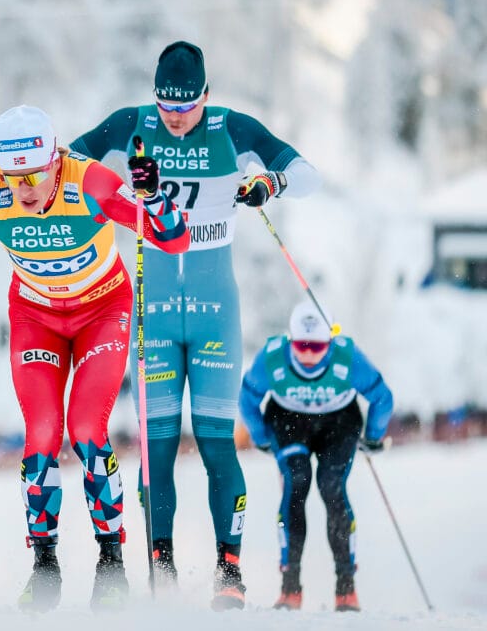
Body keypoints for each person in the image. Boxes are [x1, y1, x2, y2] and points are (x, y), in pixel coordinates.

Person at [0, 105, 189, 611]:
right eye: (13, 175)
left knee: (87, 430)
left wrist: (153, 195)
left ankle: (111, 563)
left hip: (101, 313)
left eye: (36, 174)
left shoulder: (90, 183)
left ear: (56, 160)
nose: (25, 188)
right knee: (41, 437)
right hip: (35, 316)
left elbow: (173, 239)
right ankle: (44, 567)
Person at [70, 40, 322, 609]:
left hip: (215, 313)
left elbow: (309, 176)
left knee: (215, 446)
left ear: (206, 95)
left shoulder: (231, 128)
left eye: (185, 105)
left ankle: (227, 571)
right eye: (166, 104)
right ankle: (160, 566)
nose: (175, 116)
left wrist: (269, 184)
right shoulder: (132, 124)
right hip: (152, 317)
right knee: (156, 450)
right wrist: (107, 190)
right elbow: (67, 165)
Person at [238, 301, 394, 612]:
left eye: (317, 346)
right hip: (288, 420)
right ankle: (290, 588)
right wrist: (261, 438)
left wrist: (374, 436)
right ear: (290, 339)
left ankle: (346, 589)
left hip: (338, 422)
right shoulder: (272, 358)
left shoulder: (348, 358)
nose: (309, 354)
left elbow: (382, 397)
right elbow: (247, 398)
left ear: (331, 341)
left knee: (331, 485)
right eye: (301, 345)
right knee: (297, 483)